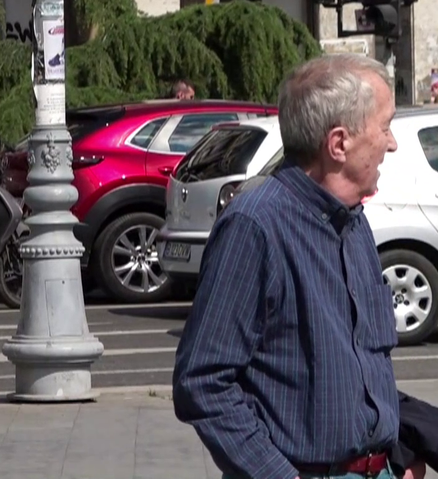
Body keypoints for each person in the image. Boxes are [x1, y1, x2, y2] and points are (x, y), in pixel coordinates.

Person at [173, 53, 413, 479]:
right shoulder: (255, 227)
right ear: (339, 144)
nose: (391, 144)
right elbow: (203, 381)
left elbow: (363, 365)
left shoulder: (352, 220)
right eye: (385, 127)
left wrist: (397, 456)